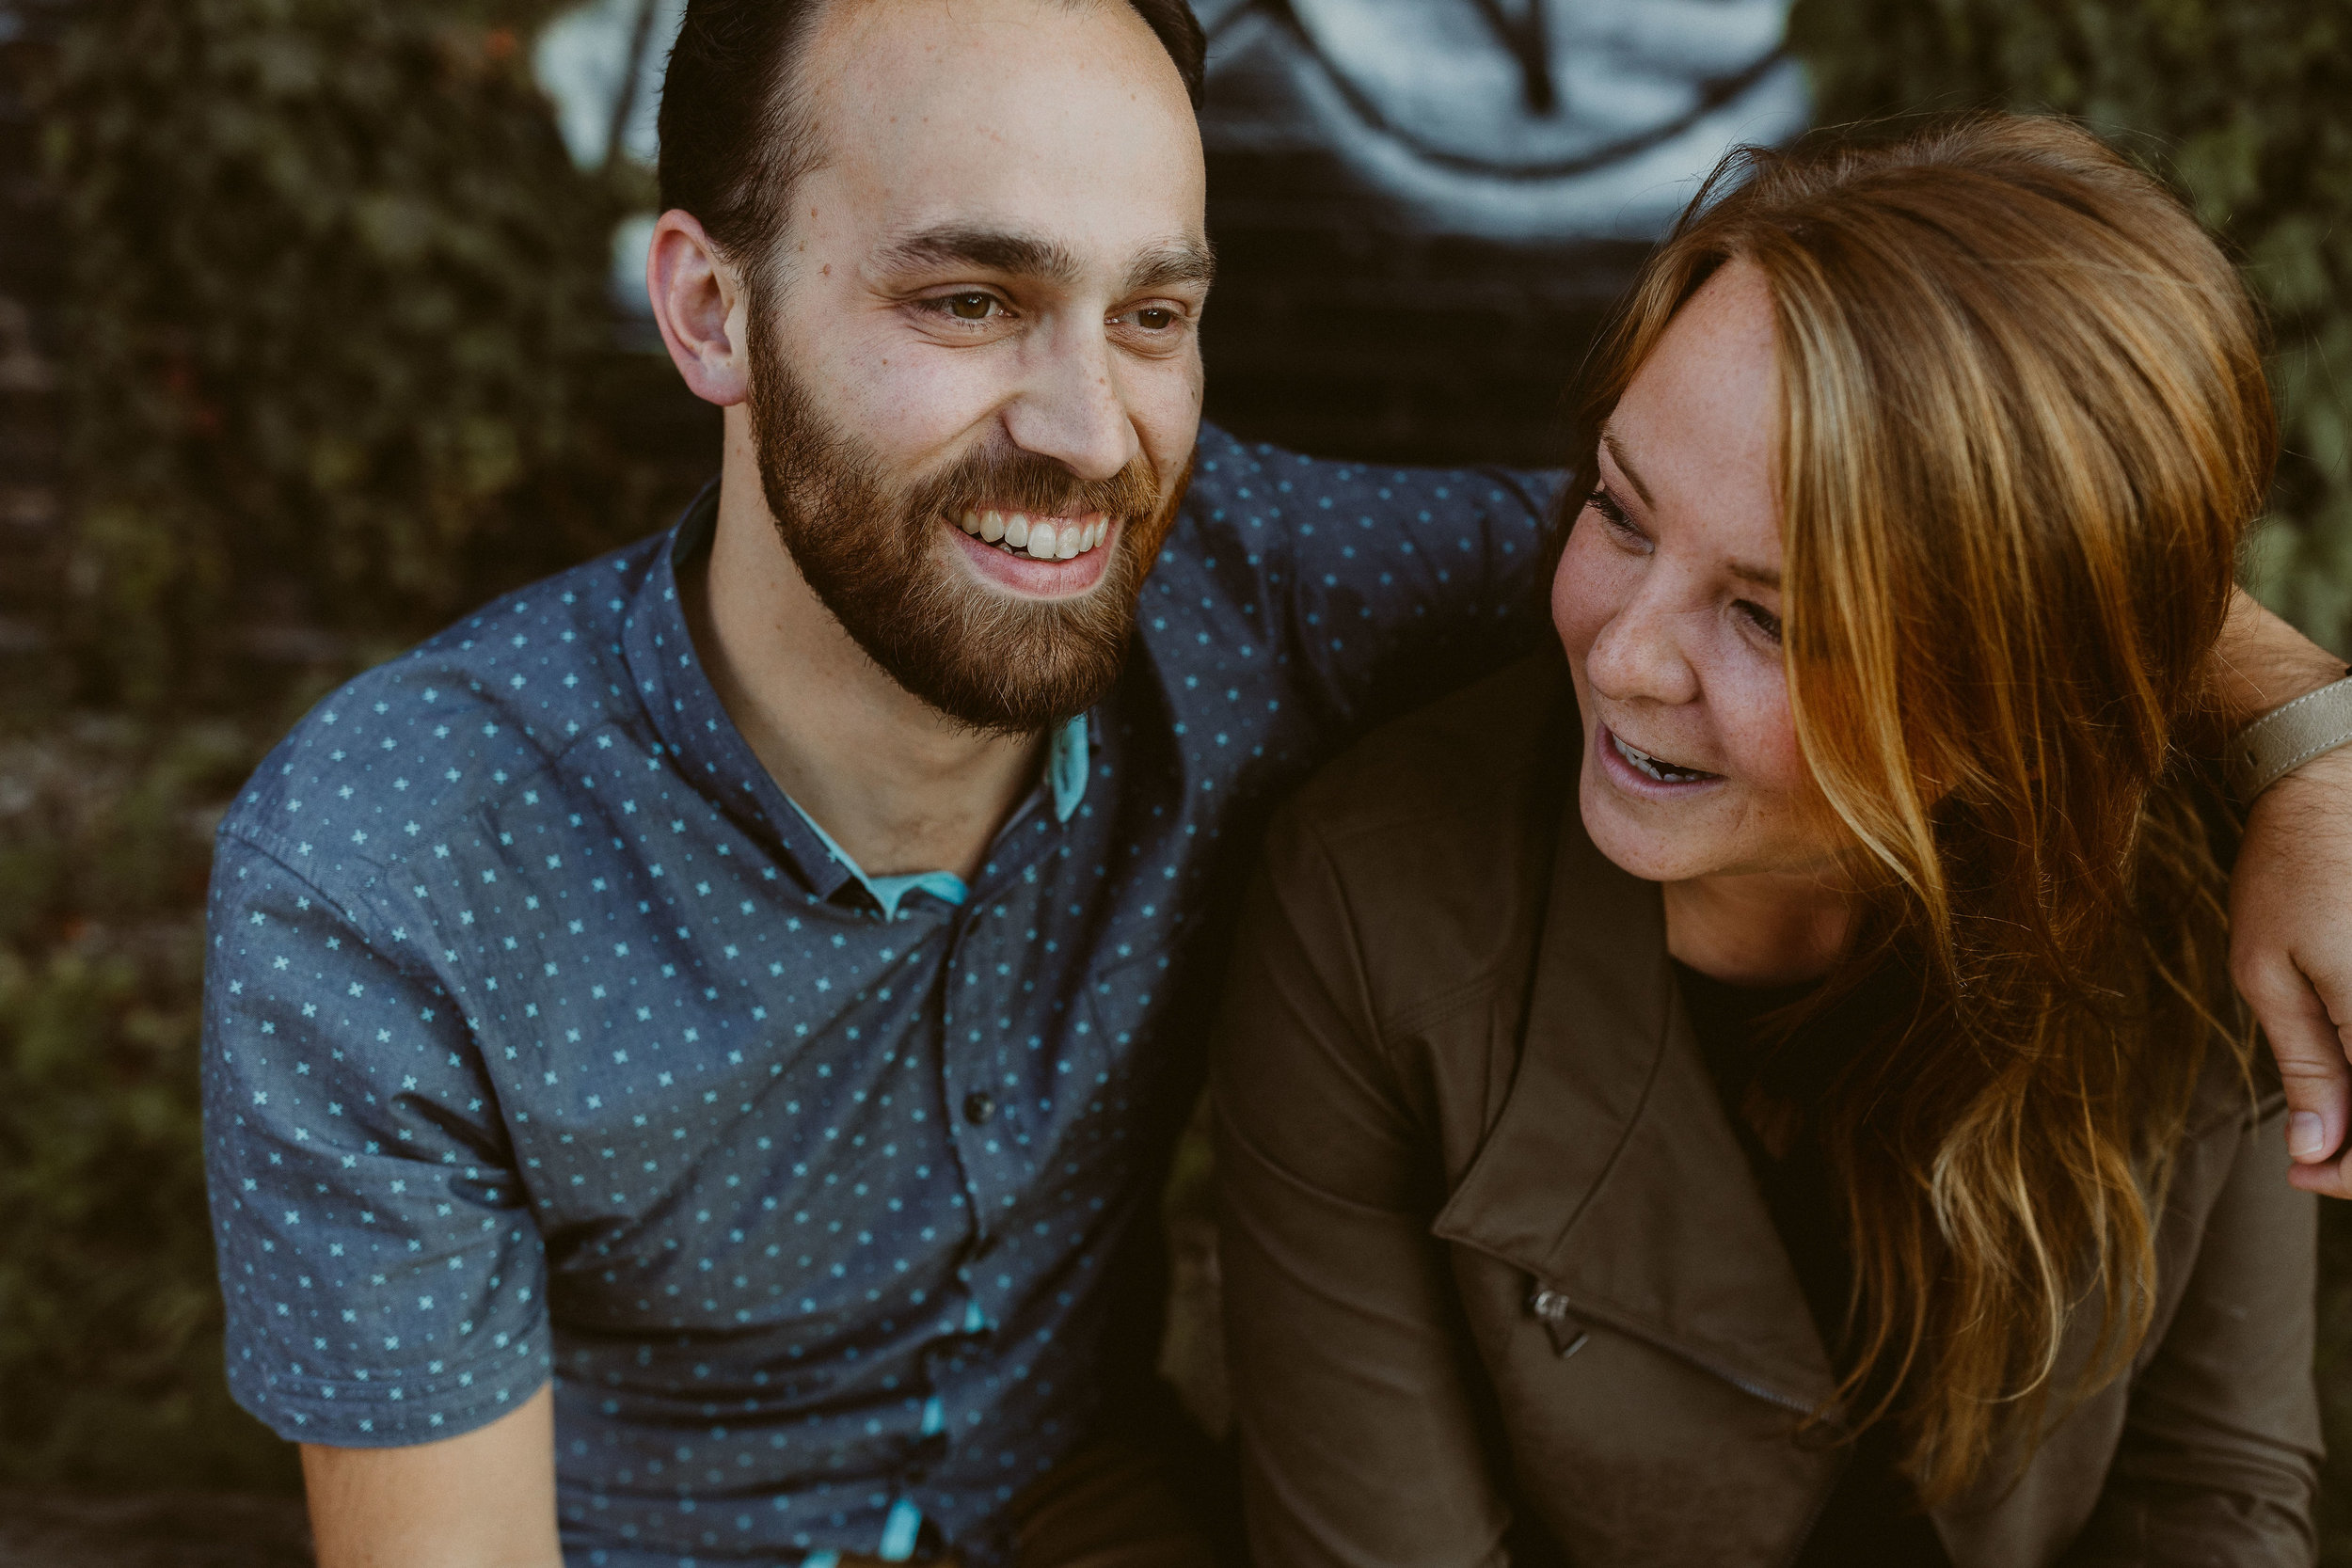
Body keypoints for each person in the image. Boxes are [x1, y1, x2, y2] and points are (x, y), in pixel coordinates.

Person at [194, 0, 2349, 1560]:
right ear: (708, 308)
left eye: (1153, 314)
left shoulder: (1276, 584)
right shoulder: (398, 854)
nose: (1084, 425)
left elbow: (1943, 567)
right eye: (966, 296)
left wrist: (2308, 742)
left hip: (1088, 1512)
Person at [1213, 116, 2324, 1568]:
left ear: (2016, 697)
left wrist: (2320, 751)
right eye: (1618, 511)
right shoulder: (1375, 908)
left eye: (1773, 618)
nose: (1624, 659)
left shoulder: (2204, 895)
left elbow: (2217, 1497)